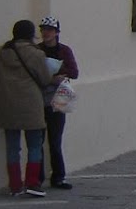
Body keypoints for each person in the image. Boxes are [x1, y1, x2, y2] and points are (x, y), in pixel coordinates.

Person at [0, 20, 52, 197]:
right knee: (35, 146)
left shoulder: (3, 52)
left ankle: (14, 185)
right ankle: (32, 183)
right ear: (30, 34)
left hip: (7, 103)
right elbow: (44, 79)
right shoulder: (36, 54)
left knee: (13, 147)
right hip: (31, 105)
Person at [35, 16, 78, 190]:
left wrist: (60, 74)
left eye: (50, 30)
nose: (46, 33)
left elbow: (74, 72)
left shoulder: (64, 51)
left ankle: (58, 177)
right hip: (39, 96)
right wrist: (49, 78)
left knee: (55, 139)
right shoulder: (37, 51)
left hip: (59, 96)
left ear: (57, 33)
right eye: (44, 30)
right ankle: (37, 177)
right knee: (38, 140)